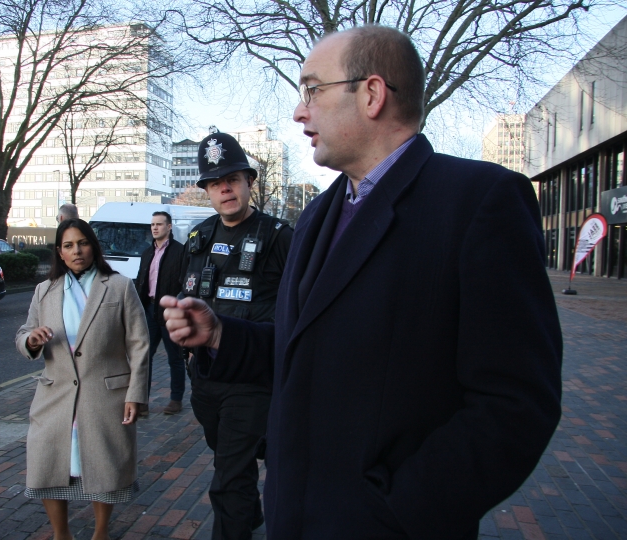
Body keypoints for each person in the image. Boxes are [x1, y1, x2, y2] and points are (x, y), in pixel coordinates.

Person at [161, 25, 562, 540]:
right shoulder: (316, 216)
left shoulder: (479, 203)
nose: (298, 112)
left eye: (312, 90)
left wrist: (399, 509)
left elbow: (516, 404)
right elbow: (307, 348)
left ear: (371, 93)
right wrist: (221, 334)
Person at [180, 132, 292, 540]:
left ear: (249, 182)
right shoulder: (199, 237)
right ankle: (251, 514)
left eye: (232, 179)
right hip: (206, 378)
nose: (224, 188)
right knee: (229, 458)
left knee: (227, 477)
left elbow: (298, 309)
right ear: (207, 191)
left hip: (251, 378)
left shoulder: (280, 237)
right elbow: (188, 294)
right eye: (214, 182)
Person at [15, 219, 148, 540]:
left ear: (93, 246)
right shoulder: (44, 291)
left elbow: (139, 342)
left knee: (105, 466)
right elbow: (23, 333)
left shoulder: (119, 286)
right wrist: (31, 340)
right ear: (59, 253)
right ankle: (62, 534)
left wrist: (136, 394)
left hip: (105, 395)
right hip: (54, 395)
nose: (77, 251)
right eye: (68, 245)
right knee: (48, 462)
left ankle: (101, 532)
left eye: (83, 243)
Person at [134, 211, 185, 416]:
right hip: (149, 309)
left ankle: (176, 399)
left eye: (159, 224)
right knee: (144, 356)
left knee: (175, 357)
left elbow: (185, 283)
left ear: (169, 227)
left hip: (170, 311)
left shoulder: (180, 252)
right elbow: (140, 281)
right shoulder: (147, 252)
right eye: (153, 224)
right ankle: (142, 402)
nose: (155, 228)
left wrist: (178, 307)